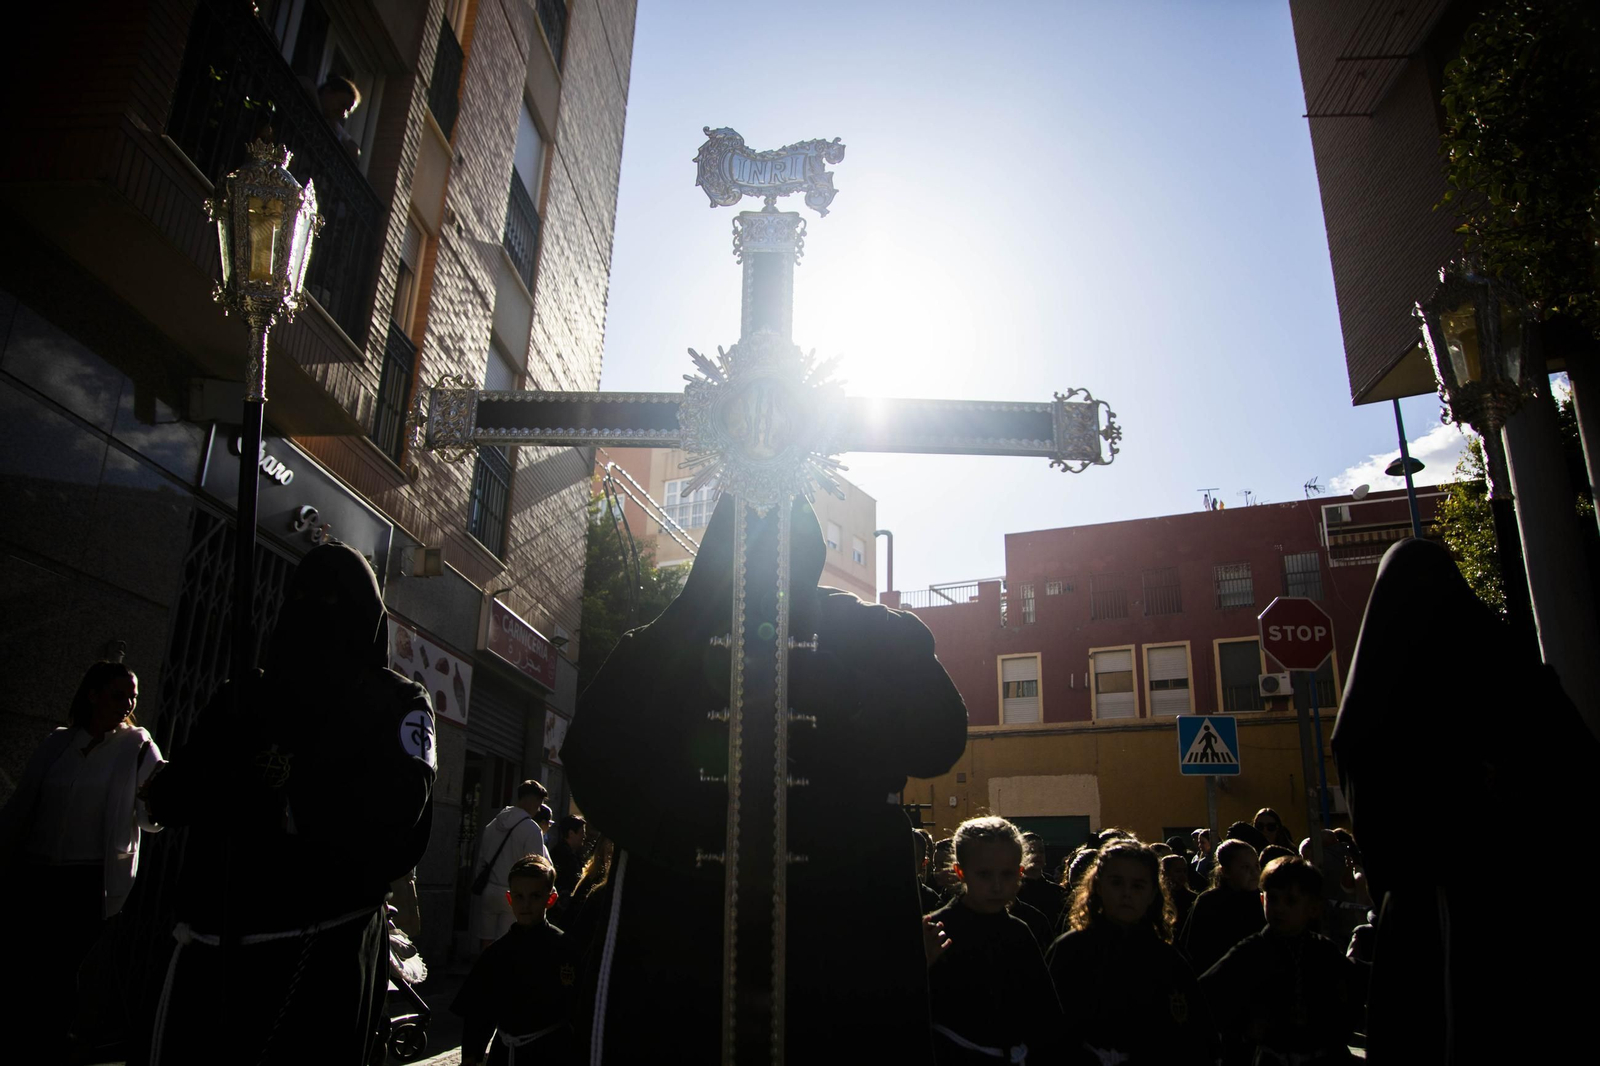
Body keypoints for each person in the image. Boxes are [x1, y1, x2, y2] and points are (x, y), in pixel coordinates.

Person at [563, 497, 969, 1062]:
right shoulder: (670, 639)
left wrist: (853, 698)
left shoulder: (866, 633)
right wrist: (678, 840)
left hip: (838, 921)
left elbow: (942, 736)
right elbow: (591, 757)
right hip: (685, 925)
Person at [142, 542, 435, 1065]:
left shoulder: (242, 695)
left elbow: (166, 800)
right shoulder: (398, 701)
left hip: (217, 951)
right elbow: (400, 831)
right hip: (322, 960)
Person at [1331, 538, 1600, 1064]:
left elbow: (1375, 818)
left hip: (1424, 923)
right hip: (1541, 910)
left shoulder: (1371, 710)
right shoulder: (1513, 671)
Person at [0, 660, 164, 1058]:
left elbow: (152, 814)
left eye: (133, 697)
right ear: (92, 694)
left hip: (87, 879)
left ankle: (52, 1040)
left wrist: (159, 797)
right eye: (117, 695)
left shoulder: (136, 746)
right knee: (28, 961)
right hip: (36, 872)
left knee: (61, 965)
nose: (126, 704)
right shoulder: (59, 742)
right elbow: (25, 800)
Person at [1046, 841, 1217, 1065]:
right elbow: (1047, 1031)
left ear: (1152, 893)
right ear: (1098, 886)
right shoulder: (1070, 950)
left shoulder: (1168, 960)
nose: (1126, 893)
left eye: (1137, 886)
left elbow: (1195, 1037)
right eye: (1116, 883)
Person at [925, 817, 1062, 1063]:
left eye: (1007, 874)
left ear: (1020, 873)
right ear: (961, 872)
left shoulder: (1021, 932)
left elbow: (1046, 1017)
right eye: (985, 875)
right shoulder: (935, 932)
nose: (997, 886)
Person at [1200, 857, 1357, 1065]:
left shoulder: (1323, 951)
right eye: (1273, 899)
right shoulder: (1253, 951)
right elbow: (1206, 993)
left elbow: (1349, 992)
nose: (1279, 908)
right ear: (1262, 901)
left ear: (1313, 908)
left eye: (1291, 900)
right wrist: (1244, 1025)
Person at [452, 854, 578, 1065]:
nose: (526, 904)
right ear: (510, 899)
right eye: (519, 896)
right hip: (505, 1053)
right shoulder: (496, 954)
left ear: (550, 899)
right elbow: (479, 1014)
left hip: (551, 1053)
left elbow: (578, 1009)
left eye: (535, 896)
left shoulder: (565, 948)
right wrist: (470, 1058)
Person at [471, 780, 552, 948]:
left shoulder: (493, 824)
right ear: (533, 800)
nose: (538, 809)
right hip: (514, 894)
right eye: (539, 803)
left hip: (489, 890)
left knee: (486, 940)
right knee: (507, 943)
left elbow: (482, 859)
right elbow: (536, 867)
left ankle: (485, 970)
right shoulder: (531, 829)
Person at [1179, 838, 1262, 975]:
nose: (1254, 872)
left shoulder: (1264, 899)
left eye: (1256, 866)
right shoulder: (1210, 902)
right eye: (1245, 867)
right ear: (1226, 871)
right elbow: (1194, 950)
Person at [1016, 831, 1067, 937]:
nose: (1038, 855)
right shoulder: (1014, 893)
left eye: (1041, 851)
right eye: (1031, 851)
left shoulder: (1058, 892)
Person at [548, 814, 587, 915]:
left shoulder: (569, 854)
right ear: (571, 833)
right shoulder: (564, 856)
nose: (584, 836)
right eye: (582, 832)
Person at [317, 75, 362, 160]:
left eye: (347, 111)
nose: (342, 114)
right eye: (342, 105)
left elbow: (355, 152)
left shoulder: (333, 125)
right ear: (328, 91)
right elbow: (306, 84)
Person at [1160, 852, 1197, 938]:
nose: (1182, 875)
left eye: (1184, 871)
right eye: (1178, 871)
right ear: (1165, 873)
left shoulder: (1192, 899)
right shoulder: (1158, 898)